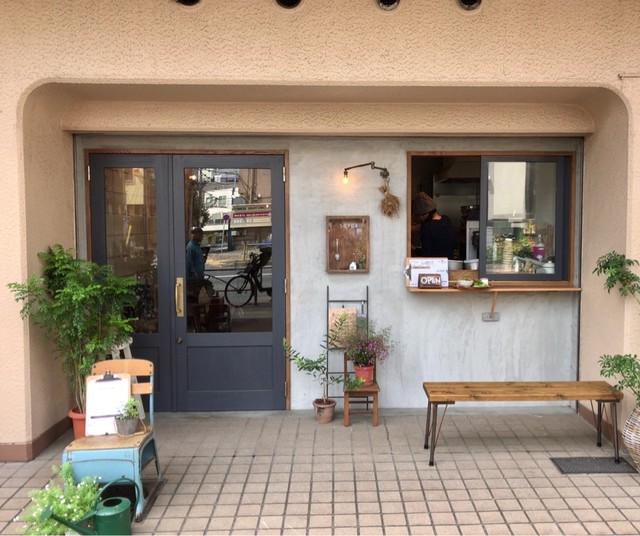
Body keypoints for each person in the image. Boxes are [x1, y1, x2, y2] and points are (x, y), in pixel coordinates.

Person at [412, 192, 456, 258]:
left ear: (426, 214)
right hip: (449, 262)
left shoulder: (427, 227)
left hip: (435, 263)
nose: (419, 219)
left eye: (419, 216)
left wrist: (413, 249)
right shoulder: (446, 220)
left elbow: (426, 254)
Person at [186, 226, 214, 299]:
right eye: (200, 235)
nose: (202, 237)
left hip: (199, 274)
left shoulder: (197, 246)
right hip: (194, 276)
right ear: (195, 235)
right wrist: (194, 273)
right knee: (207, 287)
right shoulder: (191, 247)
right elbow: (189, 261)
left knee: (199, 293)